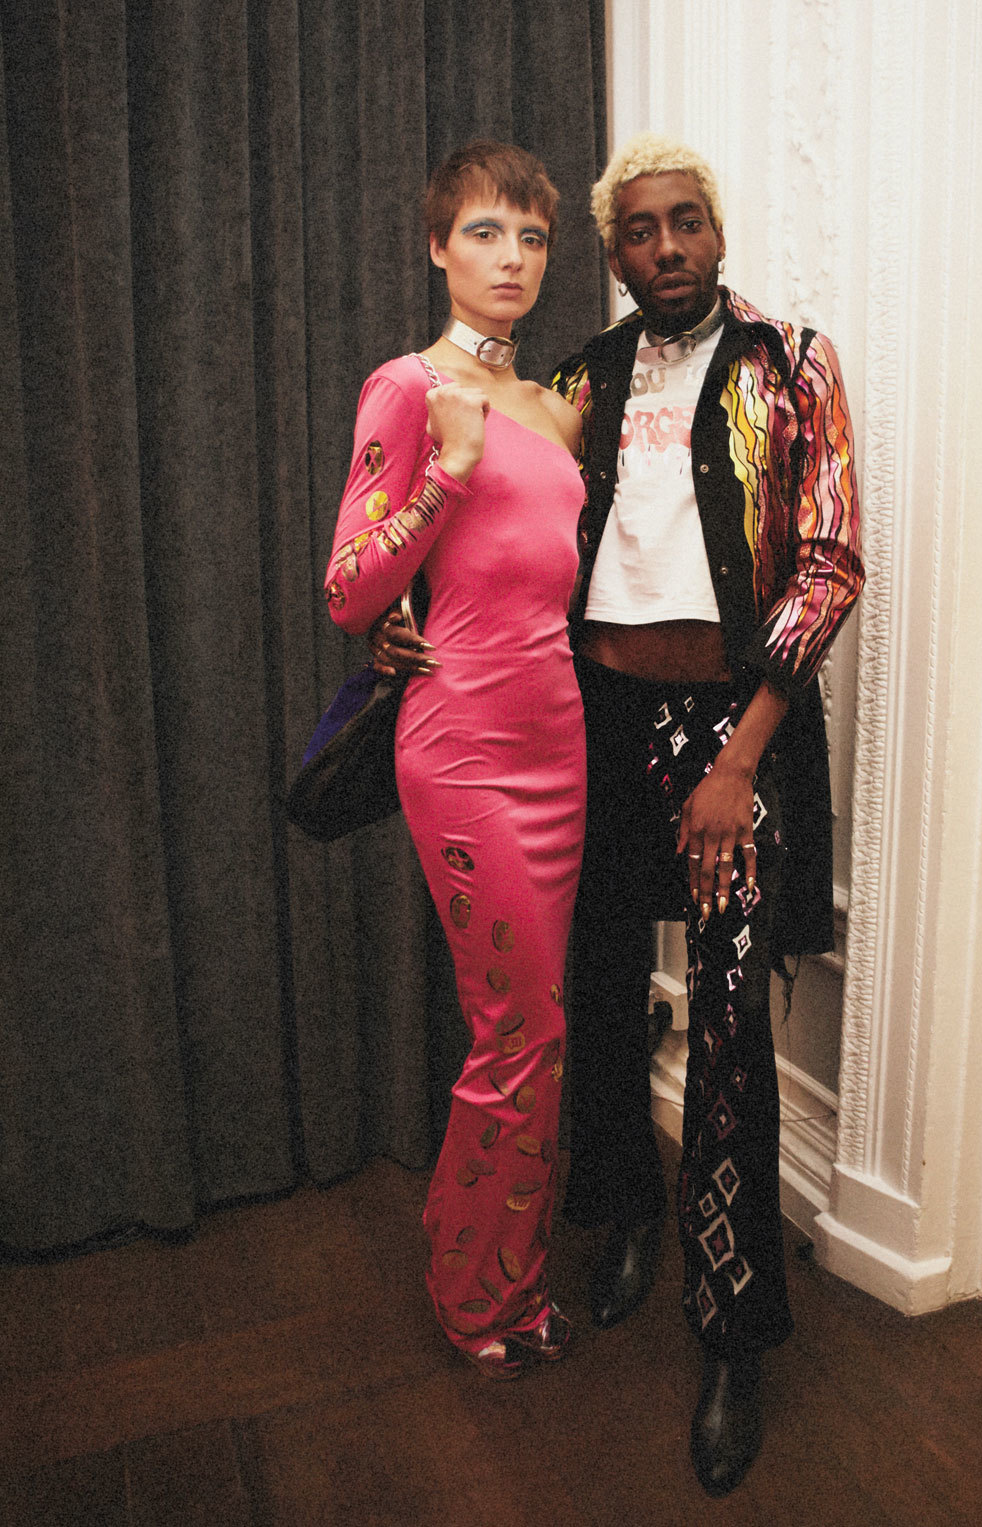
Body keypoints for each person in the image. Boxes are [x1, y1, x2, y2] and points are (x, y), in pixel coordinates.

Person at [552, 133, 863, 1495]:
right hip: (596, 722)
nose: (666, 245)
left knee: (731, 1021)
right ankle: (625, 1211)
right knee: (603, 981)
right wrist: (400, 614)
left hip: (730, 733)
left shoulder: (793, 363)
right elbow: (512, 533)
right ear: (615, 251)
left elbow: (829, 562)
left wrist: (738, 762)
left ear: (718, 231)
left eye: (686, 221)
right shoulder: (580, 378)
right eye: (640, 229)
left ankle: (734, 1322)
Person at [324, 141, 585, 1380]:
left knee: (536, 1027)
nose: (511, 259)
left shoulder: (558, 409)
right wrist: (451, 473)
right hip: (463, 746)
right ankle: (481, 1296)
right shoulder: (408, 388)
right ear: (438, 247)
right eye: (485, 232)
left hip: (560, 742)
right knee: (518, 1027)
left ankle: (487, 1261)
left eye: (532, 237)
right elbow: (348, 588)